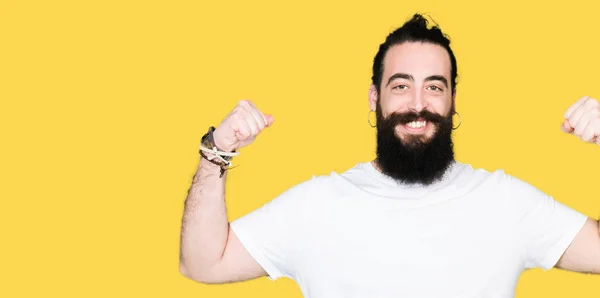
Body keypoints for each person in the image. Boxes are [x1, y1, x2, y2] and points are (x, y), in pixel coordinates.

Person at [178, 13, 600, 297]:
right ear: (374, 98)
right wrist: (218, 149)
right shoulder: (317, 204)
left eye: (434, 86)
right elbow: (202, 263)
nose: (418, 104)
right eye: (401, 85)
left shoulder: (506, 201)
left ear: (453, 100)